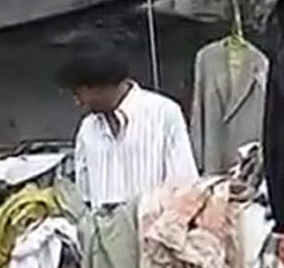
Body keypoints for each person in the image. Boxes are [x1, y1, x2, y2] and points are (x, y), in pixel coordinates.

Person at [59, 42, 199, 208]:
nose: (78, 102)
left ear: (99, 86)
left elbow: (184, 185)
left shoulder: (163, 113)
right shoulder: (88, 129)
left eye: (79, 94)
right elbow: (85, 194)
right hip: (103, 230)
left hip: (151, 227)